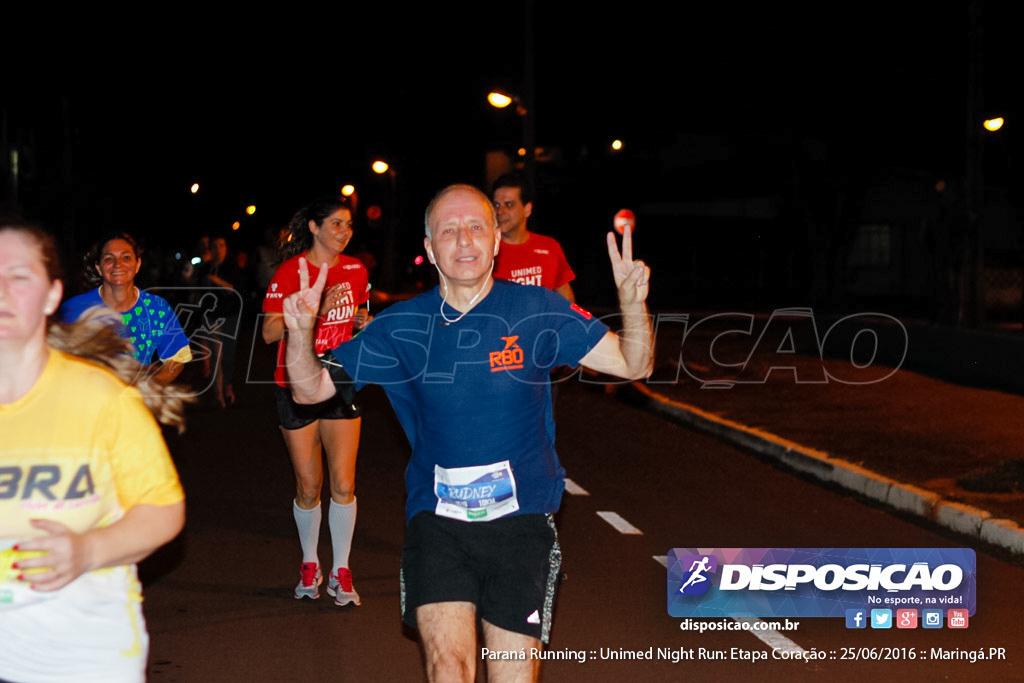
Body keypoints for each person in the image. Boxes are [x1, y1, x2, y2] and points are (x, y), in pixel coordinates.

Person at [282, 184, 652, 682]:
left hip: (522, 521)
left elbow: (634, 362)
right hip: (438, 522)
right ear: (430, 248)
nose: (464, 240)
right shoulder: (401, 326)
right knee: (449, 668)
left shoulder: (536, 309)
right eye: (448, 230)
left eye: (476, 227)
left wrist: (632, 302)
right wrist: (300, 334)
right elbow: (309, 392)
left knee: (511, 674)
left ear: (496, 241)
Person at [0, 220, 186, 683]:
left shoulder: (104, 392)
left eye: (19, 276)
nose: (2, 290)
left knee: (124, 502)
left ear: (49, 295)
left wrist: (87, 550)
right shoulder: (80, 309)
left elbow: (179, 357)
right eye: (109, 257)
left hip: (82, 651)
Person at [262, 198, 370, 606]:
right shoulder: (291, 272)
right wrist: (309, 314)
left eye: (348, 225)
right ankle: (311, 562)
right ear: (313, 226)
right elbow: (269, 334)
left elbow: (357, 313)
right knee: (309, 487)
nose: (344, 231)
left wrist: (361, 323)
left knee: (343, 483)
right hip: (296, 382)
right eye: (336, 224)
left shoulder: (357, 270)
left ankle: (341, 570)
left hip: (339, 379)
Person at [59, 232, 192, 386]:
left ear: (138, 264)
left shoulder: (157, 308)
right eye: (109, 258)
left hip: (136, 404)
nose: (118, 264)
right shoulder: (74, 310)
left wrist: (145, 390)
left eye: (126, 257)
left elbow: (175, 360)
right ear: (99, 267)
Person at [492, 172, 576, 302]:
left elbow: (565, 297)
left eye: (509, 204)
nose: (500, 211)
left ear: (527, 209)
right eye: (496, 205)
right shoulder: (486, 251)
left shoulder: (549, 247)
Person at [196, 234, 245, 407]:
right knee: (216, 355)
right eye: (215, 246)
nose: (218, 249)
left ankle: (228, 386)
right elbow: (196, 288)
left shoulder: (232, 267)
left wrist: (217, 281)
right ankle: (218, 395)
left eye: (222, 245)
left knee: (228, 356)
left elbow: (235, 290)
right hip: (212, 318)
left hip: (230, 316)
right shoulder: (206, 267)